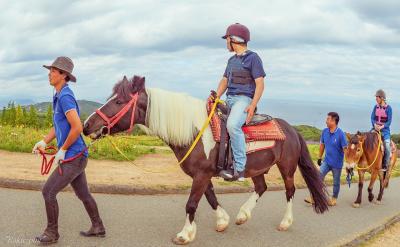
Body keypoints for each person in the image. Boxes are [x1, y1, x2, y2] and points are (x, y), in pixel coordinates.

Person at [32, 57, 105, 244]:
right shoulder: (58, 95)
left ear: (63, 75)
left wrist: (62, 150)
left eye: (53, 71)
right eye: (50, 70)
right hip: (76, 156)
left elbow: (77, 127)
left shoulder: (65, 96)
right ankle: (98, 227)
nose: (49, 73)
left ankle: (52, 233)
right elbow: (59, 125)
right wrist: (43, 141)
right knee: (83, 194)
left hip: (74, 156)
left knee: (48, 191)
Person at [213, 23, 266, 182]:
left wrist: (252, 106)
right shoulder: (231, 60)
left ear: (233, 39)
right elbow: (224, 80)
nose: (226, 42)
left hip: (244, 100)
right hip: (229, 99)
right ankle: (223, 164)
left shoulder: (253, 58)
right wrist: (216, 96)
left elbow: (260, 83)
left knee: (232, 125)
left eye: (227, 39)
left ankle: (240, 168)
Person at [305, 112, 348, 206]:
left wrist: (348, 164)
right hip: (327, 162)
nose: (326, 121)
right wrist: (319, 157)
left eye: (328, 119)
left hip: (337, 164)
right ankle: (314, 197)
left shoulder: (341, 134)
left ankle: (334, 199)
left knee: (336, 183)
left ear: (333, 121)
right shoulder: (325, 131)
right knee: (318, 178)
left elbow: (345, 150)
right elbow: (322, 146)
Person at [371, 89, 392, 172]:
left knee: (387, 145)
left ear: (382, 98)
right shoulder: (375, 107)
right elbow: (372, 118)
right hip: (375, 128)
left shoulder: (388, 108)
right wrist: (375, 125)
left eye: (377, 97)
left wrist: (382, 127)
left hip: (385, 130)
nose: (376, 99)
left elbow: (389, 122)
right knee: (367, 140)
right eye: (376, 97)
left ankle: (385, 165)